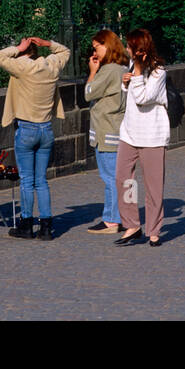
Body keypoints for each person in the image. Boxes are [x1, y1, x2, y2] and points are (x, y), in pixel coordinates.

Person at [0, 33, 70, 240]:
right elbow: (65, 51)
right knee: (41, 181)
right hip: (46, 129)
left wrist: (17, 48)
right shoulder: (52, 66)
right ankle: (46, 227)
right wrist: (48, 43)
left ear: (23, 52)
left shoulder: (23, 67)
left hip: (27, 130)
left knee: (27, 181)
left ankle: (26, 225)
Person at [114, 28, 169, 247]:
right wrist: (126, 81)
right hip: (129, 132)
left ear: (139, 51)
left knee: (153, 186)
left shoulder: (159, 72)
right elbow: (130, 92)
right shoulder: (133, 67)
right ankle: (132, 224)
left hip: (153, 135)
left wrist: (135, 75)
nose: (126, 49)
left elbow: (144, 98)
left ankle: (153, 230)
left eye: (129, 46)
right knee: (123, 179)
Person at [83, 30, 128, 236]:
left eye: (96, 47)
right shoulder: (121, 68)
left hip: (107, 131)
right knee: (124, 178)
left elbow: (88, 93)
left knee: (111, 178)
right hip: (117, 129)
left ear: (107, 46)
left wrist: (92, 71)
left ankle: (111, 220)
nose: (94, 52)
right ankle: (127, 217)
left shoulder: (108, 70)